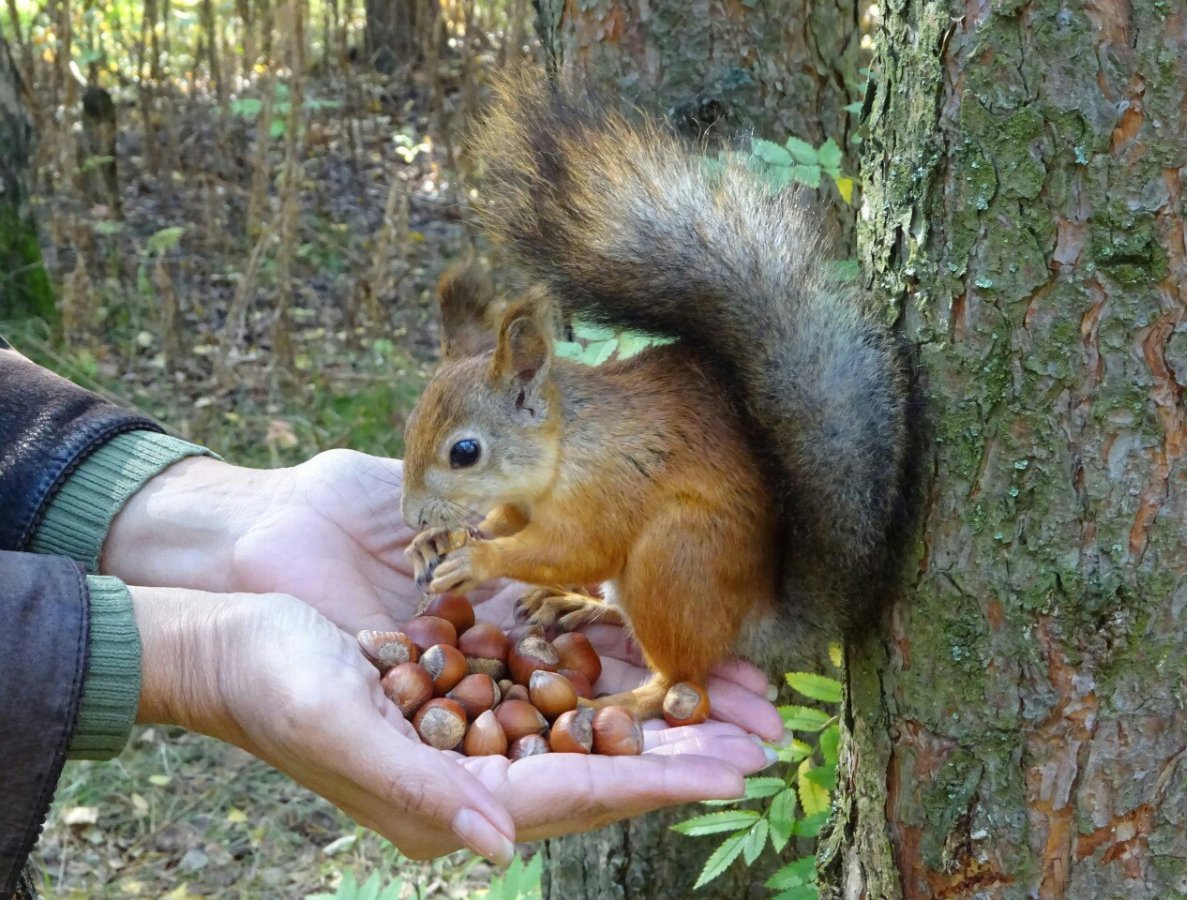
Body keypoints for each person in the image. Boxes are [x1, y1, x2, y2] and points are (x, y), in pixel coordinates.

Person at [0, 337, 783, 898]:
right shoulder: (545, 455)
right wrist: (202, 657)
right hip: (637, 537)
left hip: (704, 543)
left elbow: (589, 542)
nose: (416, 507)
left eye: (461, 459)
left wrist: (492, 559)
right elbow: (544, 528)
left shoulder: (589, 456)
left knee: (663, 548)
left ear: (530, 395)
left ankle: (665, 681)